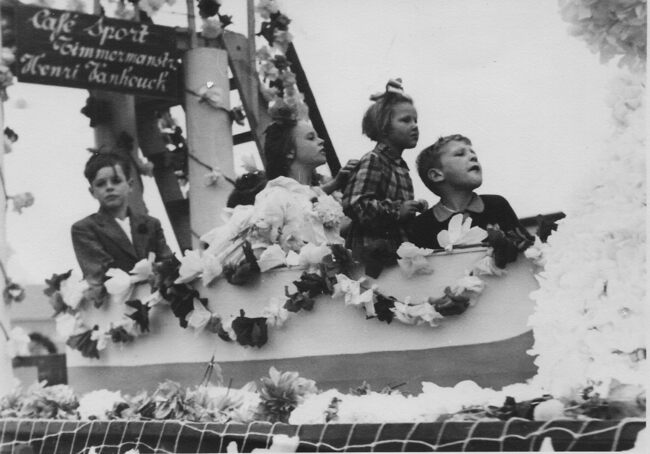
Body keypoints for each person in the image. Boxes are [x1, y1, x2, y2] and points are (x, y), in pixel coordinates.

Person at [341, 79, 427, 256]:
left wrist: (413, 208)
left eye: (415, 120)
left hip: (395, 250)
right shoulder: (374, 160)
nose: (414, 126)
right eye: (405, 120)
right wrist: (397, 210)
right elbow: (355, 204)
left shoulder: (400, 166)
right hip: (373, 256)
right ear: (384, 127)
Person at [408, 134, 532, 250]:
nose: (473, 156)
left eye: (473, 153)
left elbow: (528, 248)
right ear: (436, 175)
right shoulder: (422, 225)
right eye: (460, 154)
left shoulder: (497, 205)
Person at [71, 152, 172, 289]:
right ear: (92, 192)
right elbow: (100, 275)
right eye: (101, 184)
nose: (109, 187)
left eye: (116, 181)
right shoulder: (85, 228)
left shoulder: (151, 224)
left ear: (130, 185)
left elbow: (168, 264)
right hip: (116, 300)